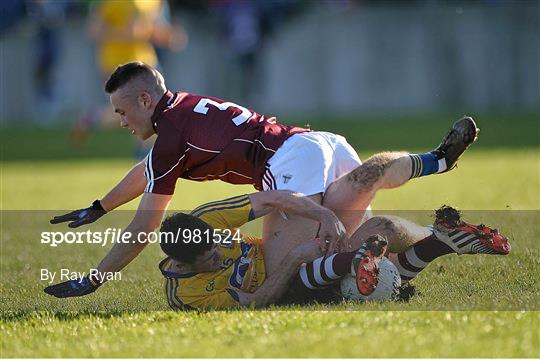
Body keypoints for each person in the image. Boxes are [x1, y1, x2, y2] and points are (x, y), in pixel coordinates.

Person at [45, 61, 479, 295]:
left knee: (291, 271)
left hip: (287, 164)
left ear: (144, 99)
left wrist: (94, 279)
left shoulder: (170, 137)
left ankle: (387, 275)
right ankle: (436, 167)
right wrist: (102, 206)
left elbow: (144, 228)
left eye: (122, 112)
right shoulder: (183, 107)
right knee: (369, 178)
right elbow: (148, 171)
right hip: (321, 141)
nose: (120, 121)